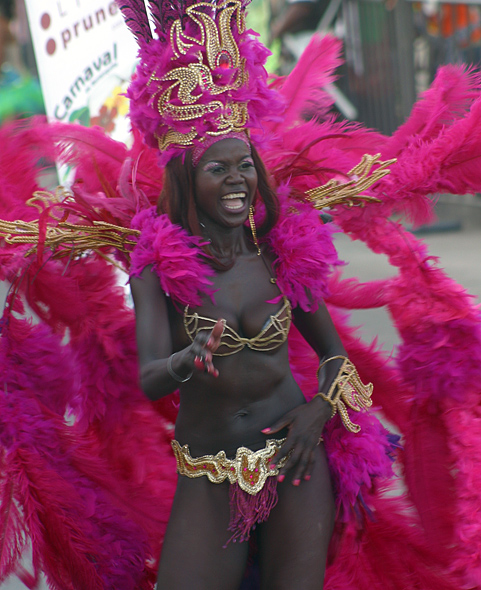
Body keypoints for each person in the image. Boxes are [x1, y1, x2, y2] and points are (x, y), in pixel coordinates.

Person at [130, 135, 346, 588]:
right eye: (216, 169)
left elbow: (333, 353)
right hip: (209, 470)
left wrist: (317, 411)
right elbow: (149, 379)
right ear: (187, 180)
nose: (236, 180)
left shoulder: (280, 252)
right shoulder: (158, 269)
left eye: (244, 165)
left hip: (295, 459)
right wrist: (186, 359)